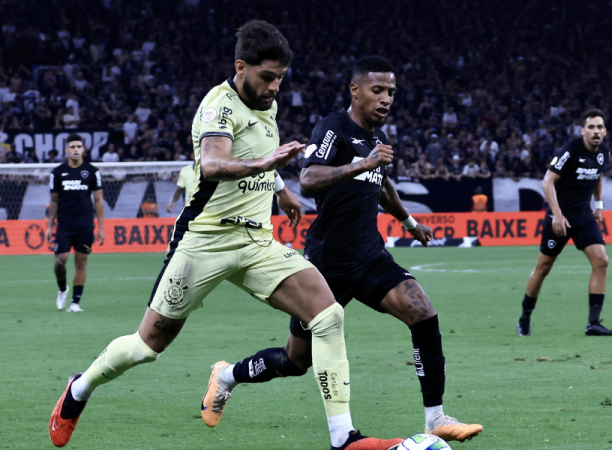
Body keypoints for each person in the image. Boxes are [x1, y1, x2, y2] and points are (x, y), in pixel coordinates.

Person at [48, 21, 401, 450]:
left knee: (328, 315)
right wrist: (266, 164)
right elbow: (214, 165)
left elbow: (254, 156)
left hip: (256, 242)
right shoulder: (218, 107)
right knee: (148, 345)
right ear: (240, 67)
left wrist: (282, 189)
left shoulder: (266, 105)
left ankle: (343, 437)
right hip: (205, 240)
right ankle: (79, 389)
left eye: (280, 79)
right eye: (267, 77)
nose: (274, 87)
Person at [220, 56, 483, 444]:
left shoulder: (375, 140)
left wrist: (410, 222)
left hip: (370, 257)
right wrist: (362, 163)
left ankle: (436, 417)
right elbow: (308, 179)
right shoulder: (334, 128)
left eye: (391, 92)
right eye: (378, 90)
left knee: (424, 315)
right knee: (296, 361)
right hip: (327, 266)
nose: (386, 98)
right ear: (355, 90)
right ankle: (227, 375)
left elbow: (382, 186)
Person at [517, 109, 612, 337]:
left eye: (600, 127)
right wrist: (557, 215)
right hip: (559, 218)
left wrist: (599, 205)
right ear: (583, 132)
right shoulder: (571, 150)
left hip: (583, 217)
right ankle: (524, 318)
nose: (596, 131)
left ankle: (593, 324)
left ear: (605, 131)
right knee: (543, 268)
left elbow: (598, 174)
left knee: (601, 261)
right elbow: (547, 181)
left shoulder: (603, 152)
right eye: (591, 127)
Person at [46, 134, 105, 313]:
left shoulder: (93, 172)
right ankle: (63, 288)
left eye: (79, 146)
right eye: (72, 146)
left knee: (81, 263)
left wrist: (101, 227)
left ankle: (75, 303)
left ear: (83, 149)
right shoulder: (57, 173)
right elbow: (54, 201)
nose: (76, 149)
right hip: (64, 224)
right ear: (67, 150)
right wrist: (49, 225)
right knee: (60, 260)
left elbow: (99, 200)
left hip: (86, 225)